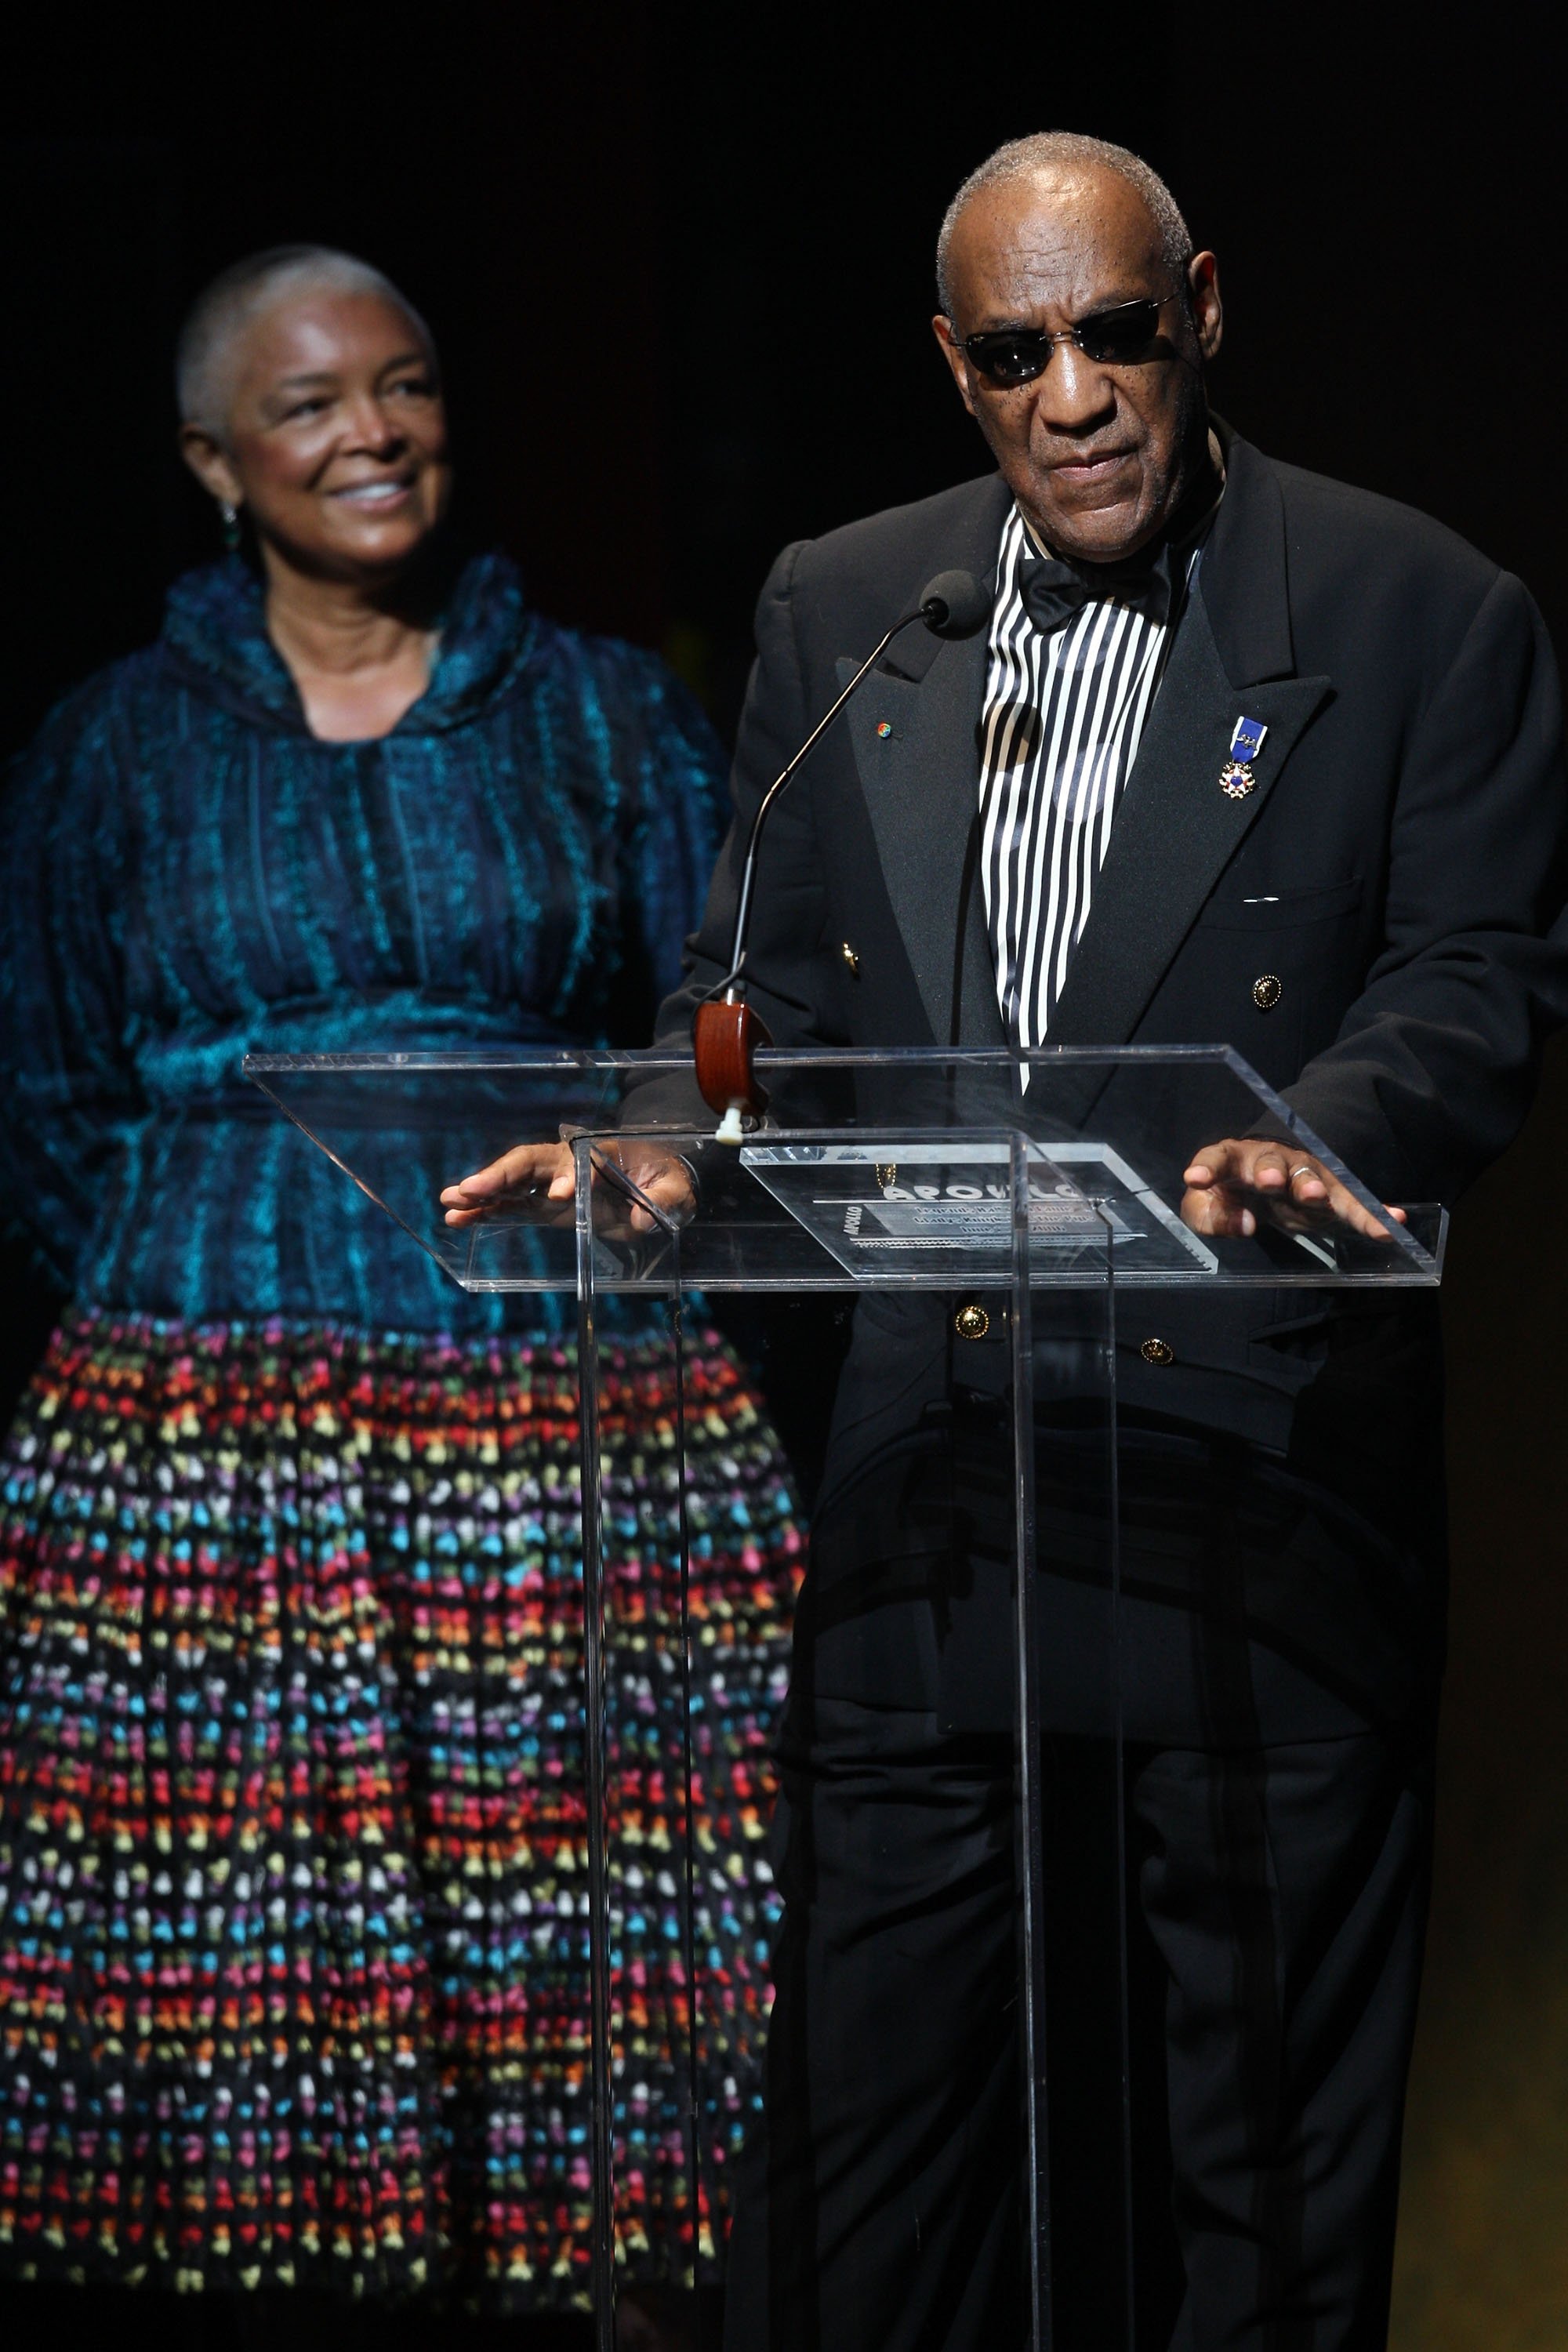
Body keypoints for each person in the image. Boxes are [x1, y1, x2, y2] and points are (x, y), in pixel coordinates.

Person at [450, 133, 1568, 2348]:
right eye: (1019, 352)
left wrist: (1311, 1132)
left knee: (1254, 2204)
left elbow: (1476, 978)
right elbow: (746, 989)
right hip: (931, 1502)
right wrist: (669, 1149)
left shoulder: (1416, 610)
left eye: (1119, 333)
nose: (1076, 396)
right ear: (954, 369)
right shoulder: (843, 603)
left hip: (1258, 1508)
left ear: (1207, 311)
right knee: (868, 2195)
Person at [0, 245, 804, 2339]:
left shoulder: (606, 710)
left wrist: (667, 1137)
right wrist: (183, 1309)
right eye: (311, 403)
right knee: (250, 2029)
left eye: (410, 383)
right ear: (212, 461)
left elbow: (728, 1003)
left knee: (589, 1982)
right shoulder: (111, 754)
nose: (375, 431)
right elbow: (49, 1096)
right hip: (208, 1461)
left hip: (566, 1419)